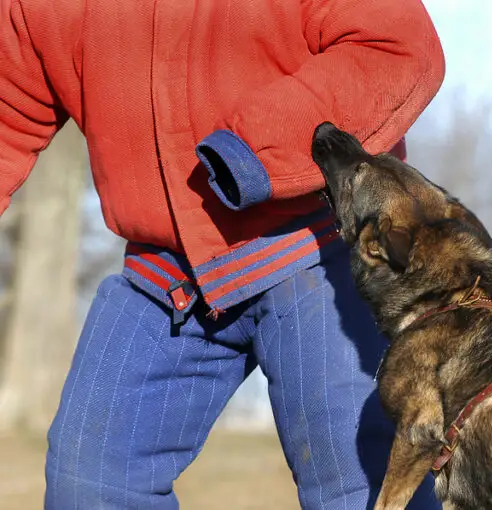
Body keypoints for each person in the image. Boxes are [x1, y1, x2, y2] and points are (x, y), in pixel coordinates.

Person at [0, 0, 446, 508]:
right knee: (92, 481)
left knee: (361, 481)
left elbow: (396, 48)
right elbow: (8, 107)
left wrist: (260, 147)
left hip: (319, 244)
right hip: (162, 271)